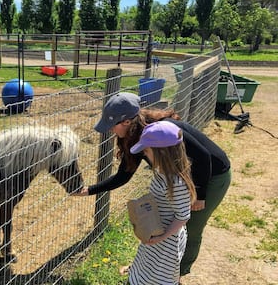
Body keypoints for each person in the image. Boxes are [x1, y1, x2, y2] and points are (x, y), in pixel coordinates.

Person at [73, 92, 232, 277]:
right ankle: (146, 269)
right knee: (163, 225)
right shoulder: (138, 138)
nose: (110, 130)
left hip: (212, 177)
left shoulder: (165, 131)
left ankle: (175, 274)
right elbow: (124, 175)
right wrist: (89, 190)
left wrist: (201, 195)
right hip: (180, 179)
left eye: (111, 125)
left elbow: (204, 158)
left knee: (190, 227)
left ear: (126, 122)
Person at [126, 120, 196, 284]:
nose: (144, 154)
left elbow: (183, 216)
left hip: (167, 240)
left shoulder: (176, 183)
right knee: (146, 266)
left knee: (159, 276)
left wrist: (162, 237)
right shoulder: (161, 172)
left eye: (147, 151)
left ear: (162, 153)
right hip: (156, 230)